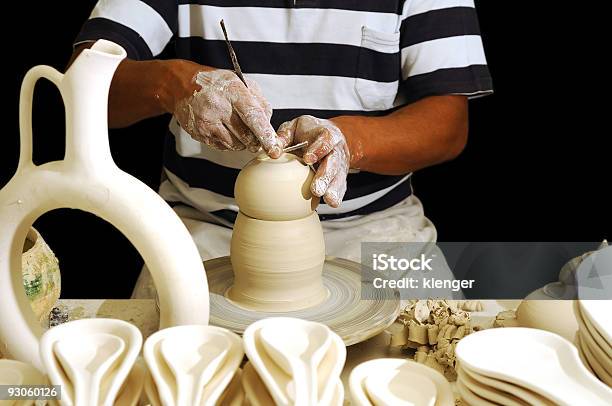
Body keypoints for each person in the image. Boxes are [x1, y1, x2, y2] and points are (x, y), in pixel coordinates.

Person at [71, 0, 492, 298]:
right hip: (206, 227)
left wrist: (352, 141)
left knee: (433, 364)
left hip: (377, 226)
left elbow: (448, 125)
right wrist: (174, 83)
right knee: (156, 377)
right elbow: (81, 84)